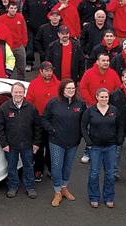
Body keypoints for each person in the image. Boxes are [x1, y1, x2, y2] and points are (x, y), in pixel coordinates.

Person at [41, 79, 86, 207]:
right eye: (68, 89)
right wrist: (52, 130)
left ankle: (64, 188)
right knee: (56, 167)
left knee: (67, 166)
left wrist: (81, 135)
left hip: (73, 142)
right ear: (62, 89)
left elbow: (84, 121)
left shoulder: (80, 103)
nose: (71, 91)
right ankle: (57, 192)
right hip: (57, 141)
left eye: (73, 88)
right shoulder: (53, 103)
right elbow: (44, 118)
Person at [0, 82, 42, 199]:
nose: (18, 94)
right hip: (11, 146)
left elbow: (37, 126)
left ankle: (30, 188)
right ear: (12, 93)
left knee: (29, 167)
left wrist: (36, 143)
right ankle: (13, 188)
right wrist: (4, 144)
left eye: (20, 92)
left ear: (24, 93)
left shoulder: (31, 108)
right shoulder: (4, 108)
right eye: (16, 92)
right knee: (11, 167)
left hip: (27, 145)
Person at [81, 88, 124, 208]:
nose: (104, 99)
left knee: (110, 174)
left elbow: (120, 125)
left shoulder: (114, 110)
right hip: (95, 147)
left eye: (106, 97)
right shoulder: (90, 111)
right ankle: (94, 197)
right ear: (97, 97)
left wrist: (119, 140)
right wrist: (88, 141)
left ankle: (109, 197)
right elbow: (83, 127)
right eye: (102, 97)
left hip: (111, 147)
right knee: (94, 173)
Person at [25, 61, 60, 182]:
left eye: (51, 70)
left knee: (52, 147)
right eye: (46, 70)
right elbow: (29, 101)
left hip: (53, 121)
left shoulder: (58, 85)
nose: (49, 73)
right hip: (38, 121)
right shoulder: (34, 84)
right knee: (38, 147)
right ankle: (38, 169)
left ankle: (51, 169)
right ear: (41, 71)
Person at [22, 0, 52, 71]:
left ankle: (44, 65)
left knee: (43, 47)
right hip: (31, 27)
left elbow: (49, 11)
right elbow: (24, 12)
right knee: (30, 47)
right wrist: (28, 21)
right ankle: (29, 63)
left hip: (43, 28)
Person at [0, 2, 28, 80]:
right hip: (7, 47)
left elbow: (23, 30)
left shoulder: (20, 17)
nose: (13, 10)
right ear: (7, 9)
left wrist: (24, 43)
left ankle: (22, 83)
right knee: (6, 68)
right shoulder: (2, 19)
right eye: (11, 8)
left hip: (19, 46)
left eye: (15, 8)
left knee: (21, 68)